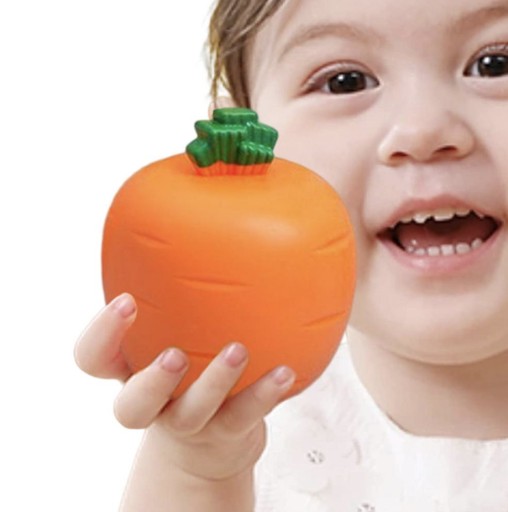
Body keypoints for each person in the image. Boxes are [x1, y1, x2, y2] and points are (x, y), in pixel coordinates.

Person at [74, 0, 508, 509]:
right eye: (345, 81)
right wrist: (195, 465)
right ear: (244, 145)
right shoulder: (242, 426)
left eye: (494, 65)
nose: (422, 131)